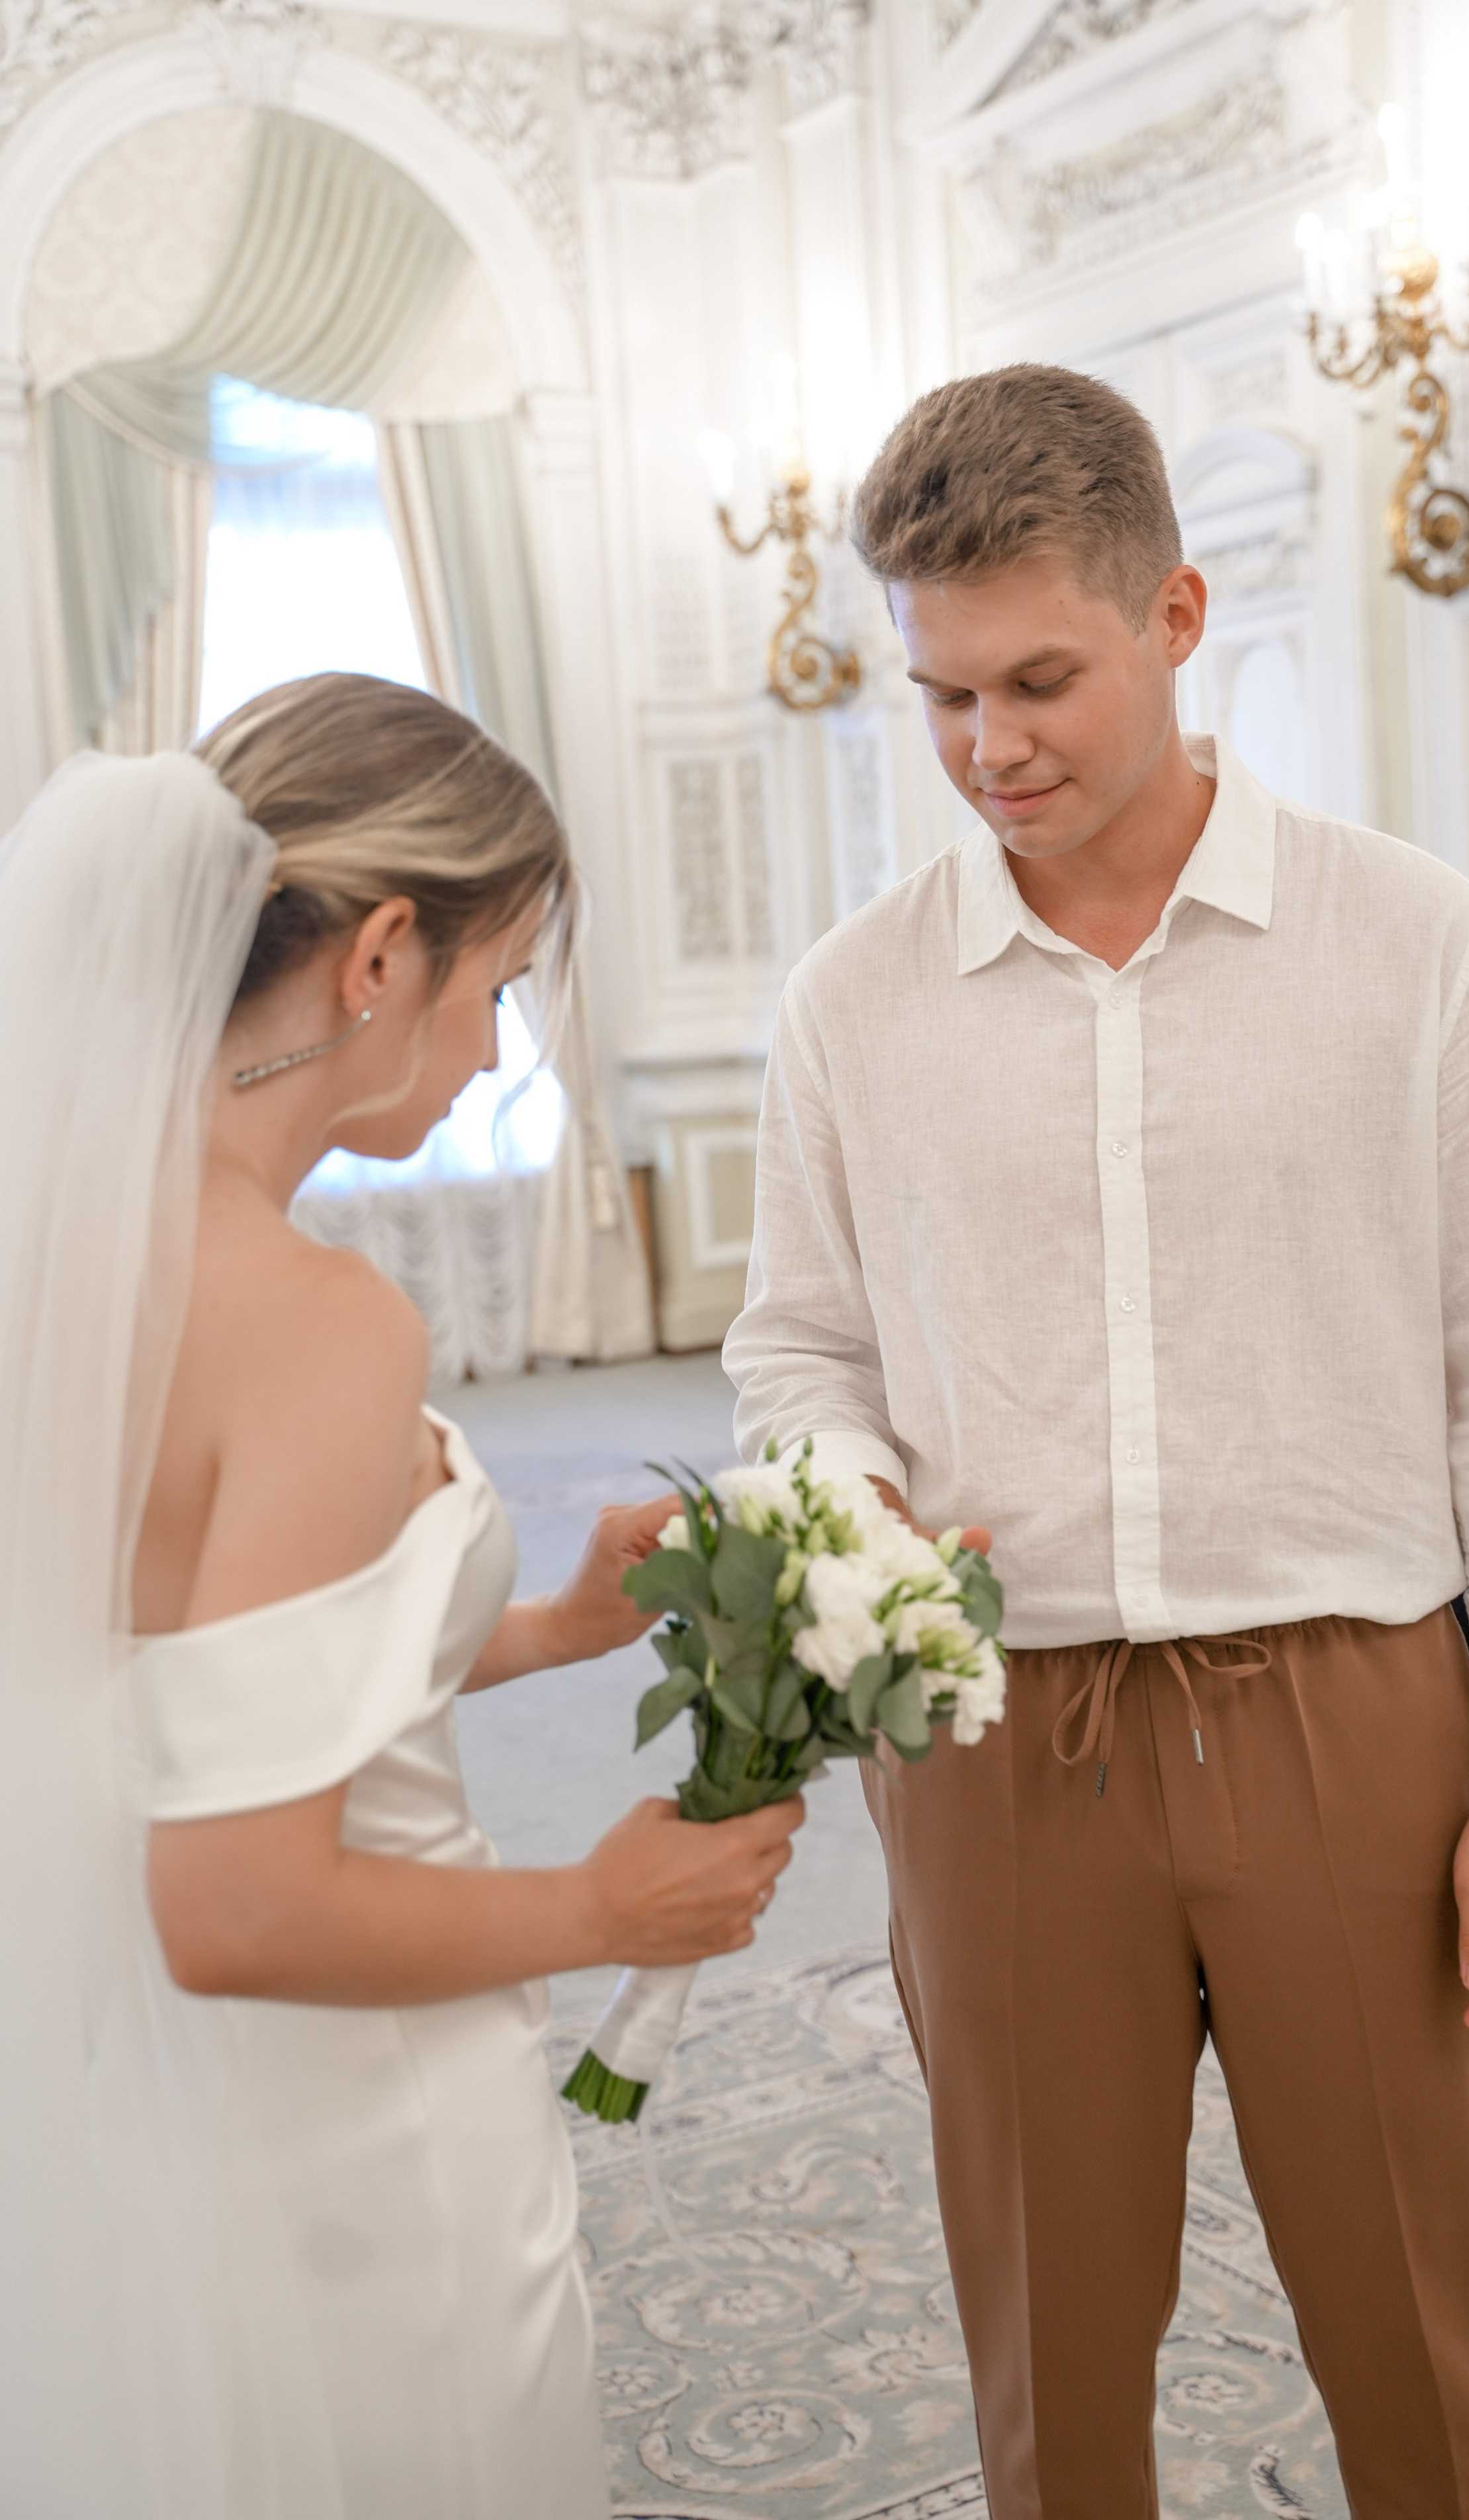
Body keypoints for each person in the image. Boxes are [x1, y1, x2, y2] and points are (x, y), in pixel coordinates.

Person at [723, 366, 1469, 2520]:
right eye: (941, 697)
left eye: (1039, 679)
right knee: (1047, 2351)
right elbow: (796, 1343)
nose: (990, 749)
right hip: (994, 1741)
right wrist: (847, 1504)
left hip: (1353, 1714)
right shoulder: (854, 1000)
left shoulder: (1405, 941)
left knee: (1419, 2326)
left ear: (1179, 615)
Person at [0, 674, 803, 2520]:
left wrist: (530, 1631)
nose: (491, 1051)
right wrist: (605, 1902)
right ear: (379, 959)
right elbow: (239, 1906)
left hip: (133, 2081)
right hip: (345, 2107)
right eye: (500, 987)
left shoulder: (54, 1250)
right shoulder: (311, 1322)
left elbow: (149, 1669)